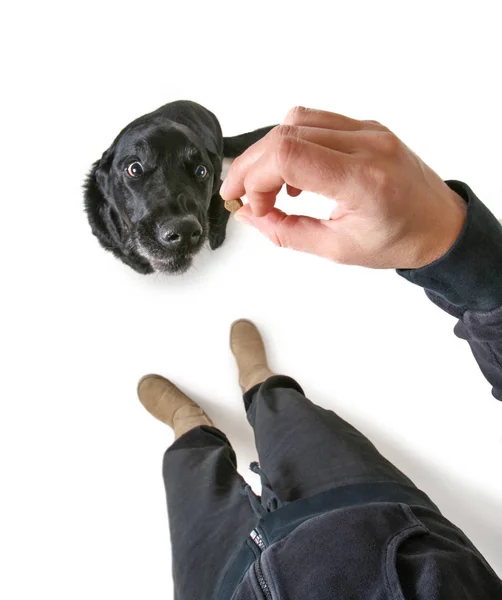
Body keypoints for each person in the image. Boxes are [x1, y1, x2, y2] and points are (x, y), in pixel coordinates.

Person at [137, 107, 502, 599]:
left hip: (222, 586)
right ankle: (258, 382)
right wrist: (455, 243)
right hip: (374, 520)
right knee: (287, 409)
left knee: (186, 467)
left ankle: (189, 423)